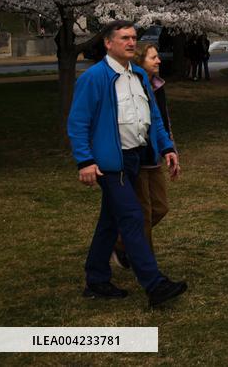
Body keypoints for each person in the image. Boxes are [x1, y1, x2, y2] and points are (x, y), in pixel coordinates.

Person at [67, 20, 187, 307]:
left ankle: (96, 279)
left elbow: (154, 117)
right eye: (124, 38)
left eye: (134, 38)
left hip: (135, 157)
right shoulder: (94, 78)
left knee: (110, 221)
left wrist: (166, 147)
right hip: (111, 163)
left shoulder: (139, 77)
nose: (131, 42)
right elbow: (77, 123)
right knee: (133, 216)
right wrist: (84, 160)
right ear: (109, 43)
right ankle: (154, 284)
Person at [113, 44, 177, 267]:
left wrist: (169, 148)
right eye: (153, 57)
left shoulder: (158, 86)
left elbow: (162, 120)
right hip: (136, 155)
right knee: (145, 214)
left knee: (160, 207)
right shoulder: (130, 86)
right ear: (140, 62)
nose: (159, 61)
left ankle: (120, 243)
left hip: (154, 157)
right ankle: (147, 265)